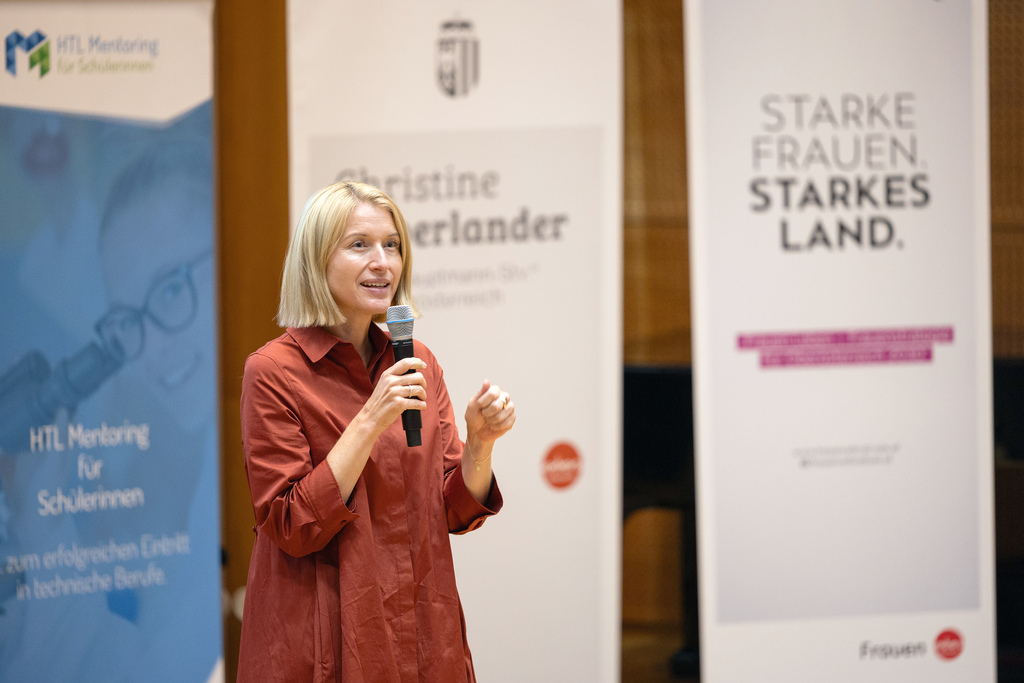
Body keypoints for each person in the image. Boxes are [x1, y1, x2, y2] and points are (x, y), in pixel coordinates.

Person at [237, 181, 516, 682]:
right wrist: (369, 420)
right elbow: (291, 524)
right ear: (316, 260)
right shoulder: (273, 371)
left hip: (423, 629)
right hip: (325, 637)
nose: (382, 262)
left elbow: (454, 510)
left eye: (392, 245)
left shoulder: (416, 360)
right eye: (359, 245)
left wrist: (480, 443)